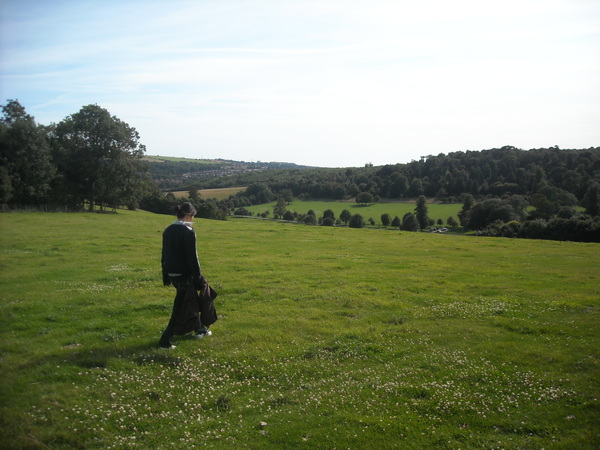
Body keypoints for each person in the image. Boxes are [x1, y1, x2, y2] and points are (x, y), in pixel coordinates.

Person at [159, 202, 211, 349]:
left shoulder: (168, 230)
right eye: (193, 216)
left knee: (190, 301)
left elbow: (164, 254)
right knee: (180, 307)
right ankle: (165, 341)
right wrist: (198, 277)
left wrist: (165, 275)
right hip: (184, 275)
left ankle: (200, 329)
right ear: (188, 215)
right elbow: (192, 258)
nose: (193, 219)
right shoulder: (188, 231)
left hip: (172, 273)